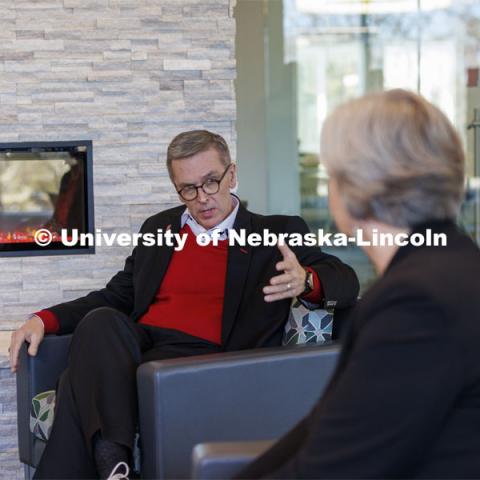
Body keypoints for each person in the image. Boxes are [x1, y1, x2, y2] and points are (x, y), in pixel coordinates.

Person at [9, 130, 359, 480]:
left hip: (204, 362)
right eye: (188, 189)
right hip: (140, 348)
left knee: (76, 380)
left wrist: (306, 280)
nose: (202, 198)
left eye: (211, 182)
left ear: (232, 175)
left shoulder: (276, 231)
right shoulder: (159, 228)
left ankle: (111, 460)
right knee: (100, 321)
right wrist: (45, 319)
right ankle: (115, 467)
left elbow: (345, 279)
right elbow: (117, 296)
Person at [237, 89, 480, 479]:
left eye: (332, 173)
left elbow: (331, 469)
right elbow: (321, 427)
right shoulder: (453, 267)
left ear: (356, 190)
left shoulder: (418, 304)